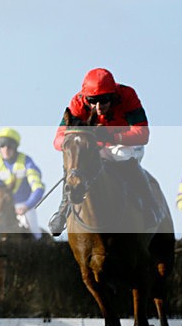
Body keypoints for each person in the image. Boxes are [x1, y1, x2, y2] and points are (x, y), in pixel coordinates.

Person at [48, 67, 161, 236]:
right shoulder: (78, 103)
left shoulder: (127, 95)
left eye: (104, 100)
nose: (98, 107)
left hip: (124, 144)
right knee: (76, 161)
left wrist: (112, 136)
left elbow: (142, 134)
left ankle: (149, 206)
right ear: (86, 98)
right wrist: (73, 142)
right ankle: (63, 211)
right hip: (95, 146)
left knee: (122, 156)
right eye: (93, 101)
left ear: (113, 96)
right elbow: (58, 140)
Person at [0, 127, 45, 239]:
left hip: (23, 206)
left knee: (35, 232)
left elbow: (38, 188)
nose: (6, 149)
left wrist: (27, 205)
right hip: (2, 208)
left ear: (15, 147)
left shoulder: (27, 161)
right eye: (2, 145)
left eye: (10, 146)